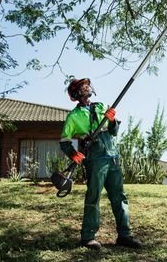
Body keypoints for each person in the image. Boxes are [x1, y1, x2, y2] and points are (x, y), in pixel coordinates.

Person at [60, 78, 142, 250]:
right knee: (93, 197)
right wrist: (73, 154)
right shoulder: (73, 116)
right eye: (83, 87)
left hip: (112, 156)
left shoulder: (102, 106)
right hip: (94, 159)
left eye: (87, 85)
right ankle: (88, 237)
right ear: (75, 94)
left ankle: (125, 235)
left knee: (119, 196)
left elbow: (113, 132)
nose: (87, 87)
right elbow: (64, 140)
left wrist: (112, 121)